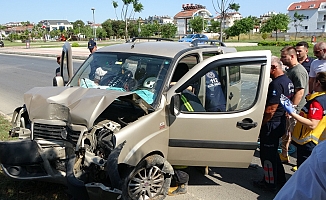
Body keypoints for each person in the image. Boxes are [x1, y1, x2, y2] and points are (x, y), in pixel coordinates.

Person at [253, 56, 294, 192]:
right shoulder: (287, 81)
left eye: (268, 68)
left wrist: (261, 125)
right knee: (273, 154)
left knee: (267, 156)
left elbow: (271, 109)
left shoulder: (276, 84)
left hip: (272, 124)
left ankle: (269, 183)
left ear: (274, 67)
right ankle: (280, 179)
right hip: (280, 122)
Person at [281, 71, 326, 169]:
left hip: (309, 143)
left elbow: (312, 124)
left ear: (318, 83)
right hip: (318, 141)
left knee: (305, 171)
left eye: (314, 81)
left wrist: (292, 113)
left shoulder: (317, 102)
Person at [279, 46, 309, 168]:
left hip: (295, 110)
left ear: (292, 56)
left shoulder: (298, 71)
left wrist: (292, 108)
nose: (281, 59)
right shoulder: (291, 69)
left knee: (294, 135)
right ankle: (284, 154)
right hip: (290, 108)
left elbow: (300, 92)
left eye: (284, 57)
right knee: (287, 133)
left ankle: (299, 162)